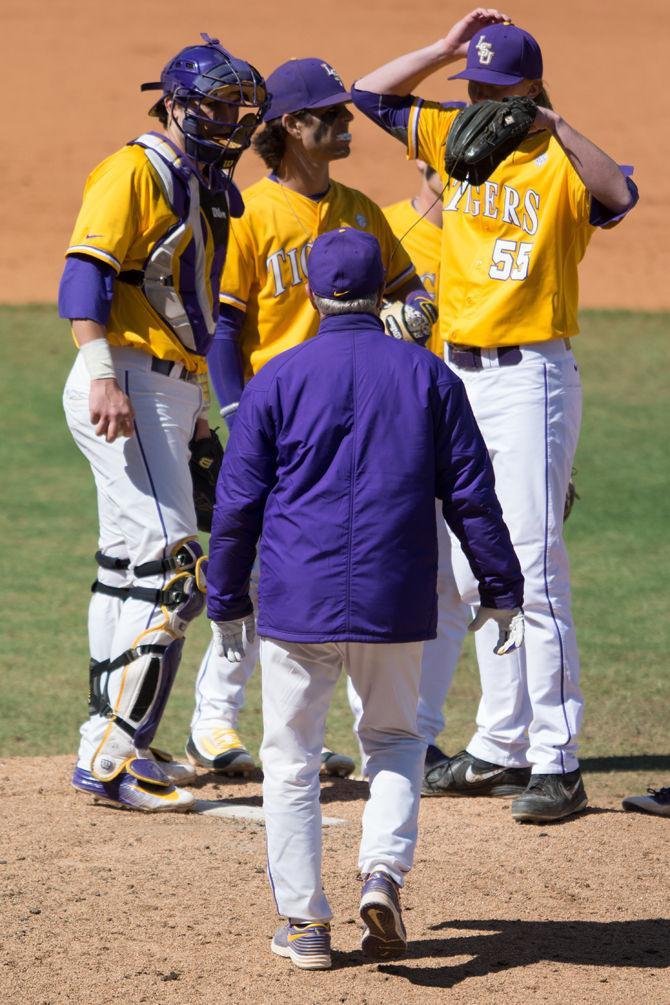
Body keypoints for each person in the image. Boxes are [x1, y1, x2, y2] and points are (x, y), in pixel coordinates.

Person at [206, 226, 524, 969]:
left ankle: (306, 925)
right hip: (395, 597)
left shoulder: (276, 378)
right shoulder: (429, 375)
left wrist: (225, 598)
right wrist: (502, 590)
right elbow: (472, 497)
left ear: (314, 294)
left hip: (296, 600)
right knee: (396, 740)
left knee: (290, 757)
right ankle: (382, 871)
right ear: (383, 290)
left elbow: (237, 504)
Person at [352, 9, 639, 821]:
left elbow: (621, 195)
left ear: (530, 89)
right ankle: (499, 746)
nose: (476, 100)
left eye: (491, 88)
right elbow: (367, 96)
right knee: (475, 566)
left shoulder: (560, 165)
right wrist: (441, 50)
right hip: (456, 375)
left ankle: (559, 760)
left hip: (529, 379)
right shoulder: (452, 142)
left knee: (534, 568)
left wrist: (552, 122)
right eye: (468, 86)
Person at [185, 56, 436, 780]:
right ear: (289, 127)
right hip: (277, 420)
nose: (345, 123)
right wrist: (235, 415)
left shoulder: (361, 210)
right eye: (329, 114)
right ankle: (214, 721)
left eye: (344, 112)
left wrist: (412, 319)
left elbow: (415, 293)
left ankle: (285, 728)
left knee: (307, 579)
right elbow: (226, 329)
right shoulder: (252, 213)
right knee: (257, 570)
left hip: (353, 427)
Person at [60, 35, 267, 812]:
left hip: (166, 392)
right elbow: (84, 275)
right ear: (178, 104)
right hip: (127, 383)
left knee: (126, 567)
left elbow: (185, 309)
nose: (232, 120)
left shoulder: (198, 180)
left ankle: (110, 744)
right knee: (176, 567)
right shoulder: (136, 169)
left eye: (237, 107)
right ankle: (118, 758)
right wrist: (103, 375)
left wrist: (196, 415)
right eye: (218, 105)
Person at [346, 160, 471, 791]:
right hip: (381, 422)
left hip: (451, 422)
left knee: (448, 592)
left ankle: (416, 732)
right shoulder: (386, 228)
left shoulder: (488, 226)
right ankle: (218, 722)